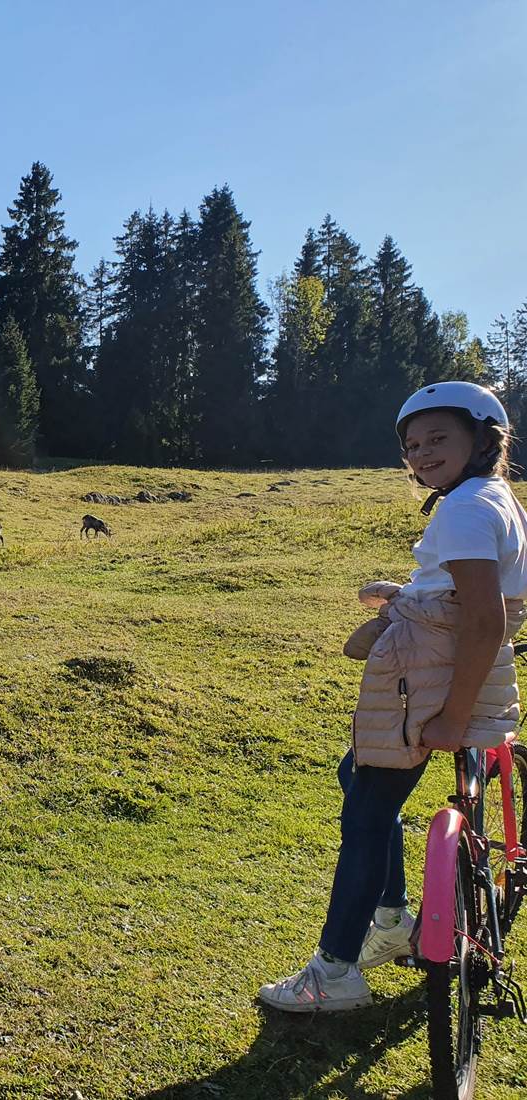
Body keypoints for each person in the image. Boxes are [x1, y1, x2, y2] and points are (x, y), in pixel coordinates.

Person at [259, 380, 527, 1013]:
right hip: (445, 666)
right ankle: (392, 919)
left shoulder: (462, 509)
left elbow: (482, 619)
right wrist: (407, 595)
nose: (422, 453)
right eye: (412, 444)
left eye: (438, 438)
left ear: (483, 440)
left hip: (430, 681)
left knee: (366, 815)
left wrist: (452, 718)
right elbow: (463, 596)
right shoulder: (492, 499)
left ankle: (335, 971)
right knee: (357, 776)